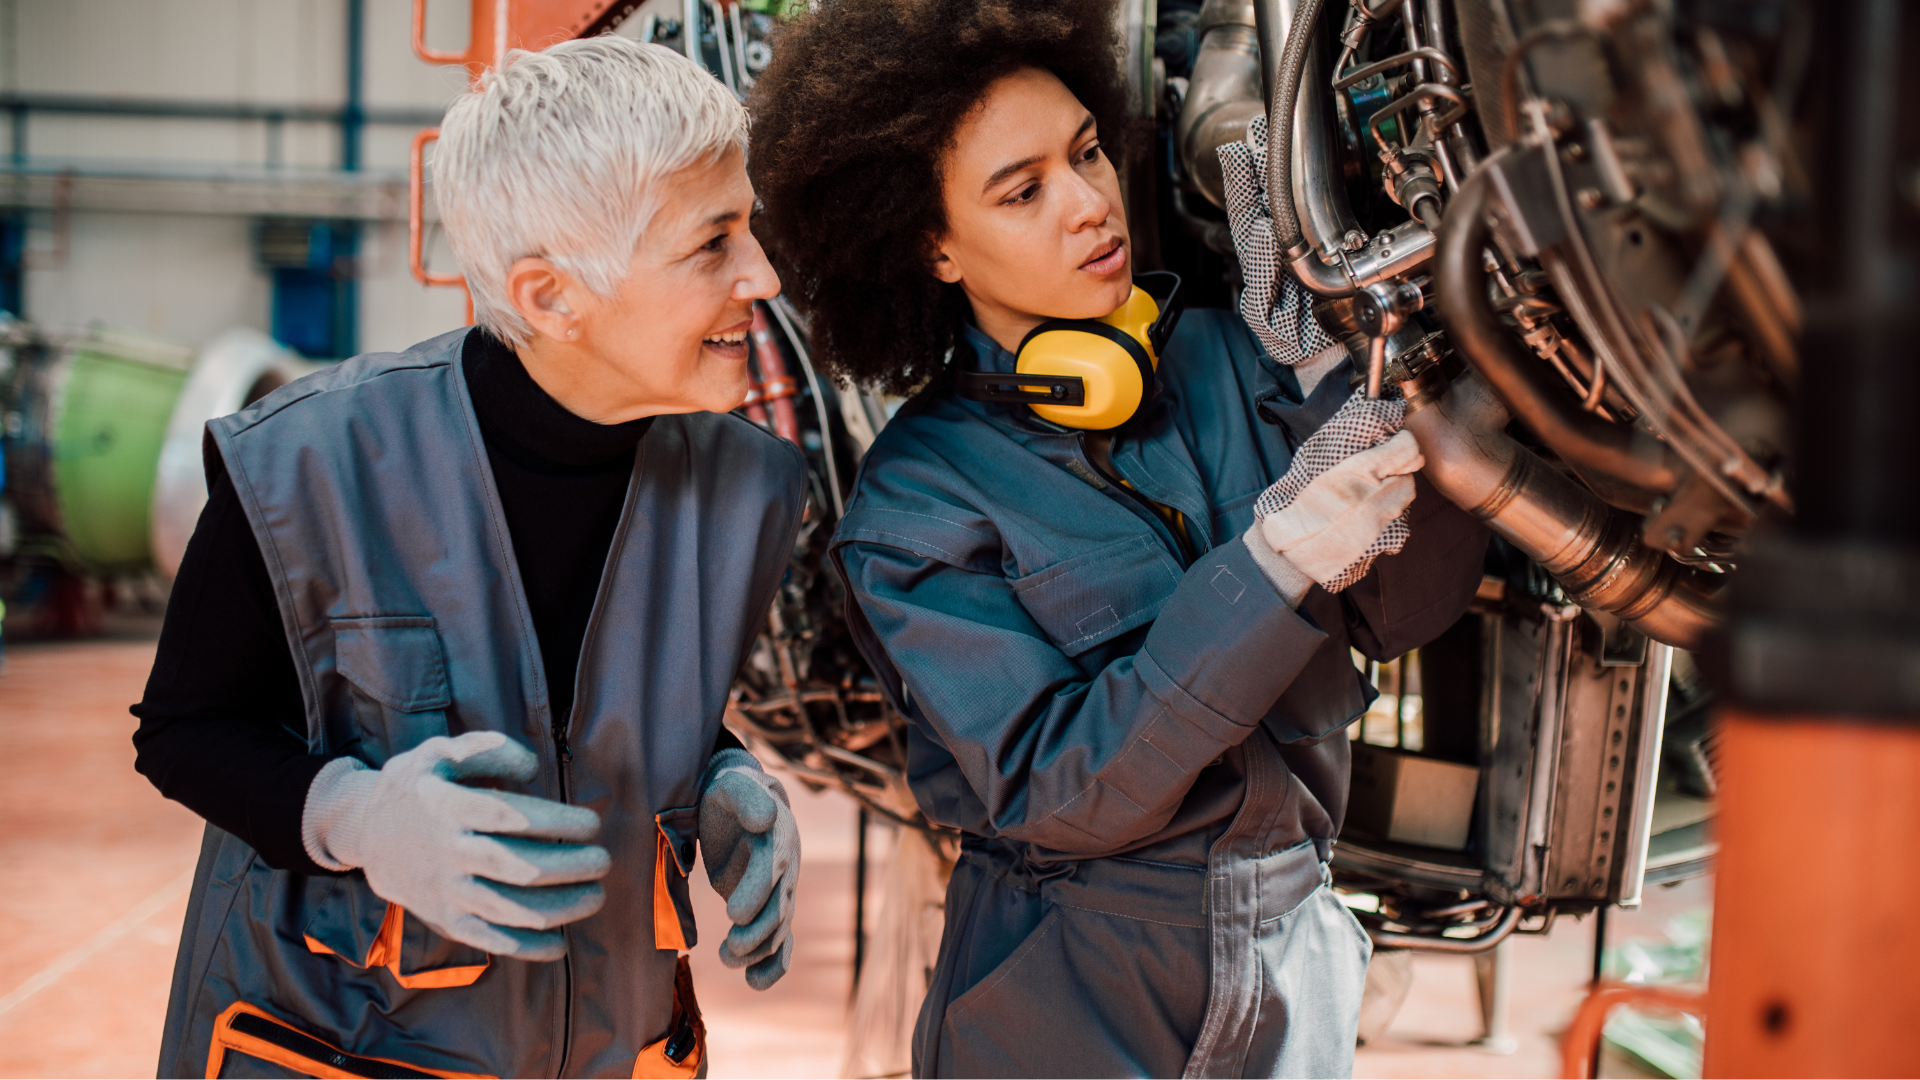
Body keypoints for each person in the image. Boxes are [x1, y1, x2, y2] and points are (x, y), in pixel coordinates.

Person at [748, 2, 1489, 1076]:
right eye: (1024, 190)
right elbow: (1065, 786)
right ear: (935, 246)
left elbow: (1407, 612)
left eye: (1087, 153)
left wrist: (1343, 383)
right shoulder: (919, 501)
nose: (1090, 205)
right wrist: (1274, 567)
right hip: (1070, 985)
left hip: (1297, 954)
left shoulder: (1235, 359)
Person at [134, 37, 805, 1078]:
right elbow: (184, 728)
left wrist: (720, 774)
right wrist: (352, 816)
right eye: (713, 243)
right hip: (344, 1044)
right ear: (548, 298)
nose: (761, 274)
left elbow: (597, 699)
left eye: (748, 226)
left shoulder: (742, 490)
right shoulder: (308, 465)